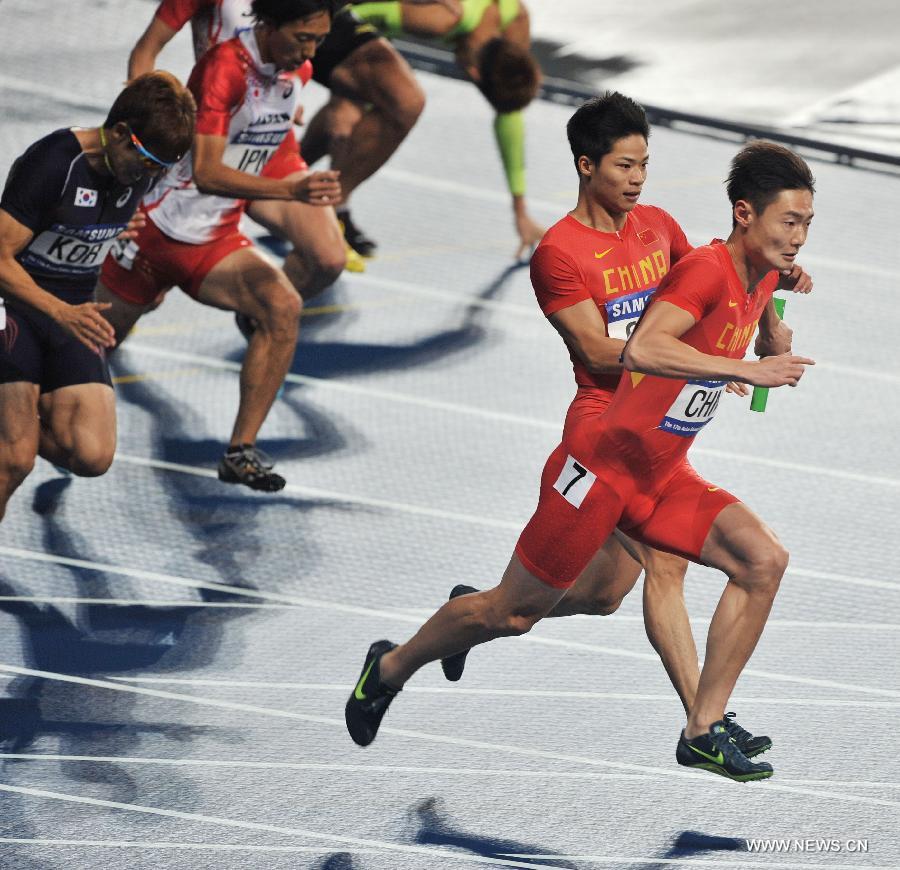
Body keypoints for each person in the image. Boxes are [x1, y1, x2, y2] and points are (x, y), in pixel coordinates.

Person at [344, 138, 816, 783]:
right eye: (790, 222)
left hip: (660, 473)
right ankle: (392, 666)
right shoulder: (704, 268)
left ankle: (704, 728)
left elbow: (755, 306)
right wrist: (744, 366)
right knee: (510, 613)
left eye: (807, 225)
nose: (799, 238)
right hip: (597, 471)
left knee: (758, 562)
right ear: (744, 214)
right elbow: (645, 347)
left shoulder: (762, 270)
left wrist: (771, 329)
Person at [98, 0, 342, 492]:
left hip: (214, 240)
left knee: (282, 307)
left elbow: (256, 141)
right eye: (302, 38)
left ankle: (240, 451)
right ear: (269, 25)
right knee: (92, 346)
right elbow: (207, 173)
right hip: (157, 231)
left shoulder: (298, 70)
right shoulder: (223, 66)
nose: (310, 51)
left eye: (318, 40)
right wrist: (291, 191)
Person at [0, 72, 195, 522]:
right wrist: (58, 311)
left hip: (73, 311)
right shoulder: (54, 163)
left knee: (91, 455)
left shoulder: (136, 167)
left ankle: (11, 424)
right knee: (14, 459)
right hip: (14, 306)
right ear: (122, 133)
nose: (153, 176)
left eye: (162, 168)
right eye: (148, 163)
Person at [128, 0, 426, 265]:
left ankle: (260, 320)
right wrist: (146, 128)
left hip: (268, 144)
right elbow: (146, 50)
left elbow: (310, 49)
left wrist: (283, 98)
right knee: (154, 262)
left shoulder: (306, 28)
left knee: (327, 260)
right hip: (211, 136)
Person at [350, 0, 545, 257]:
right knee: (357, 107)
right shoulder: (441, 19)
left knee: (359, 99)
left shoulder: (514, 18)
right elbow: (351, 15)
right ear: (474, 74)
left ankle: (317, 195)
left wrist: (519, 209)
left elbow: (509, 113)